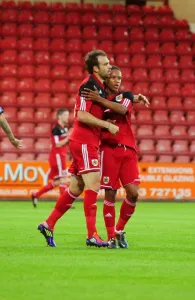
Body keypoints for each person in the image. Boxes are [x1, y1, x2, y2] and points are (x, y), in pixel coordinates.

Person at [37, 50, 119, 248]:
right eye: (106, 64)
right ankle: (92, 235)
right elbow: (81, 115)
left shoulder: (100, 87)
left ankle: (48, 224)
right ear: (95, 68)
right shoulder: (88, 85)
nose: (109, 66)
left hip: (86, 141)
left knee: (76, 188)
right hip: (84, 141)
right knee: (94, 186)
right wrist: (107, 125)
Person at [82, 66, 149, 248]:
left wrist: (100, 100)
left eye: (120, 77)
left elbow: (121, 110)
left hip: (128, 150)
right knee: (110, 193)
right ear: (106, 79)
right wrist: (101, 112)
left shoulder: (125, 96)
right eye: (113, 77)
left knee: (133, 193)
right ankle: (111, 237)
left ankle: (119, 229)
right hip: (108, 150)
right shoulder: (96, 101)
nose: (117, 80)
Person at [31, 108, 70, 207]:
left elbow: (64, 142)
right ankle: (64, 203)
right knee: (63, 179)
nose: (68, 117)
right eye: (65, 115)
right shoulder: (56, 128)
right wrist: (69, 137)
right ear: (59, 116)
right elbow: (57, 144)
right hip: (57, 157)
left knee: (57, 181)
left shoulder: (65, 128)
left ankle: (36, 194)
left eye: (68, 115)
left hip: (61, 156)